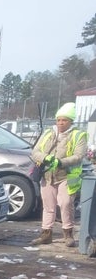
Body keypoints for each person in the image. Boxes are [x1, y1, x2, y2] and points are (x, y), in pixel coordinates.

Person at [30, 102, 88, 246]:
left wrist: (60, 162)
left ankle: (68, 234)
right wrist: (45, 158)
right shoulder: (49, 133)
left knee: (65, 204)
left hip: (66, 176)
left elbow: (78, 156)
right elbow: (35, 151)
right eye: (59, 120)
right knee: (48, 206)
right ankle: (46, 234)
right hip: (47, 175)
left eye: (64, 120)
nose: (61, 123)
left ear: (71, 121)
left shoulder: (78, 135)